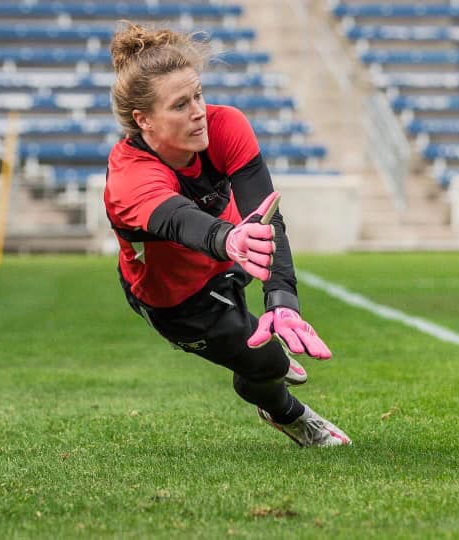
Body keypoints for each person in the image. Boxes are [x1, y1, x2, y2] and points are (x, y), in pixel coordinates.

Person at [103, 22, 350, 447]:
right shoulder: (129, 179)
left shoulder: (226, 124)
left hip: (235, 255)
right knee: (268, 365)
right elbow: (181, 220)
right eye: (180, 105)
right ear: (144, 120)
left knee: (270, 335)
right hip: (179, 300)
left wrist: (282, 300)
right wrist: (229, 239)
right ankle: (289, 415)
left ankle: (264, 339)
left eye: (198, 94)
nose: (198, 110)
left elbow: (268, 216)